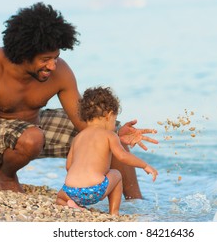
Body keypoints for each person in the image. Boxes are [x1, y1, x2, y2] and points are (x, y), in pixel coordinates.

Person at [0, 2, 158, 198]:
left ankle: (136, 204)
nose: (52, 66)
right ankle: (6, 176)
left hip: (35, 128)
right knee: (32, 137)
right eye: (45, 59)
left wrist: (115, 133)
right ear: (25, 53)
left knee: (108, 135)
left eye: (56, 58)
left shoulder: (60, 71)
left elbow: (85, 123)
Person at [56, 87, 158, 215]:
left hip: (71, 190)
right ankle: (114, 212)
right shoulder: (110, 135)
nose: (114, 125)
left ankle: (70, 204)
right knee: (116, 174)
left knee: (60, 196)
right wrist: (145, 165)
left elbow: (69, 166)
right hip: (96, 190)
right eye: (115, 120)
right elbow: (122, 156)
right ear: (109, 115)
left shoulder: (78, 137)